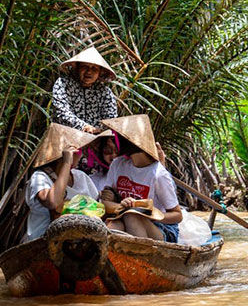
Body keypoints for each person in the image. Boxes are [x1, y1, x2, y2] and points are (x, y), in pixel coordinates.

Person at [99, 115, 182, 243]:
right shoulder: (117, 164)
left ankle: (143, 257)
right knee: (113, 226)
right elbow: (105, 202)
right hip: (125, 217)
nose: (114, 142)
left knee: (131, 215)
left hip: (162, 228)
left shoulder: (158, 175)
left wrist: (149, 213)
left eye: (118, 138)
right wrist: (123, 206)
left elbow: (177, 215)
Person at [24, 123, 100, 241]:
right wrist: (66, 162)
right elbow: (52, 202)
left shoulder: (81, 176)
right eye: (78, 152)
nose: (81, 156)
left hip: (82, 239)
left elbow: (97, 206)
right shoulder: (40, 177)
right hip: (44, 239)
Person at [52, 46, 117, 134]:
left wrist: (101, 132)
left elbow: (111, 120)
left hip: (96, 139)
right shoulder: (63, 84)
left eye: (94, 68)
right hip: (67, 136)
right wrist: (84, 127)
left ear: (100, 73)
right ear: (77, 68)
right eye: (85, 67)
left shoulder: (105, 92)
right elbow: (61, 112)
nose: (89, 72)